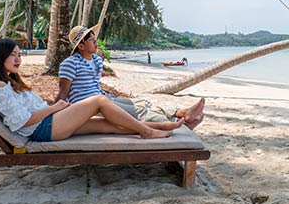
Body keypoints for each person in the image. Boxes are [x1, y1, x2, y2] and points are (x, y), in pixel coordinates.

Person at [0, 39, 179, 142]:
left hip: (49, 122)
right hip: (42, 128)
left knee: (106, 125)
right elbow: (22, 121)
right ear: (0, 56)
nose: (18, 59)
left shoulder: (8, 81)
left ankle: (160, 127)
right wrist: (55, 107)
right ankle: (147, 132)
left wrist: (57, 109)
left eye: (19, 55)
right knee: (99, 100)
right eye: (13, 55)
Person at [56, 25, 205, 129]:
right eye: (91, 40)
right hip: (88, 107)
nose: (95, 42)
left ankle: (180, 113)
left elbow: (93, 82)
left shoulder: (95, 60)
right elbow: (63, 94)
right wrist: (53, 117)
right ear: (81, 46)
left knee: (143, 103)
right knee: (138, 111)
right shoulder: (69, 64)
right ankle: (182, 125)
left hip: (104, 98)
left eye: (94, 38)